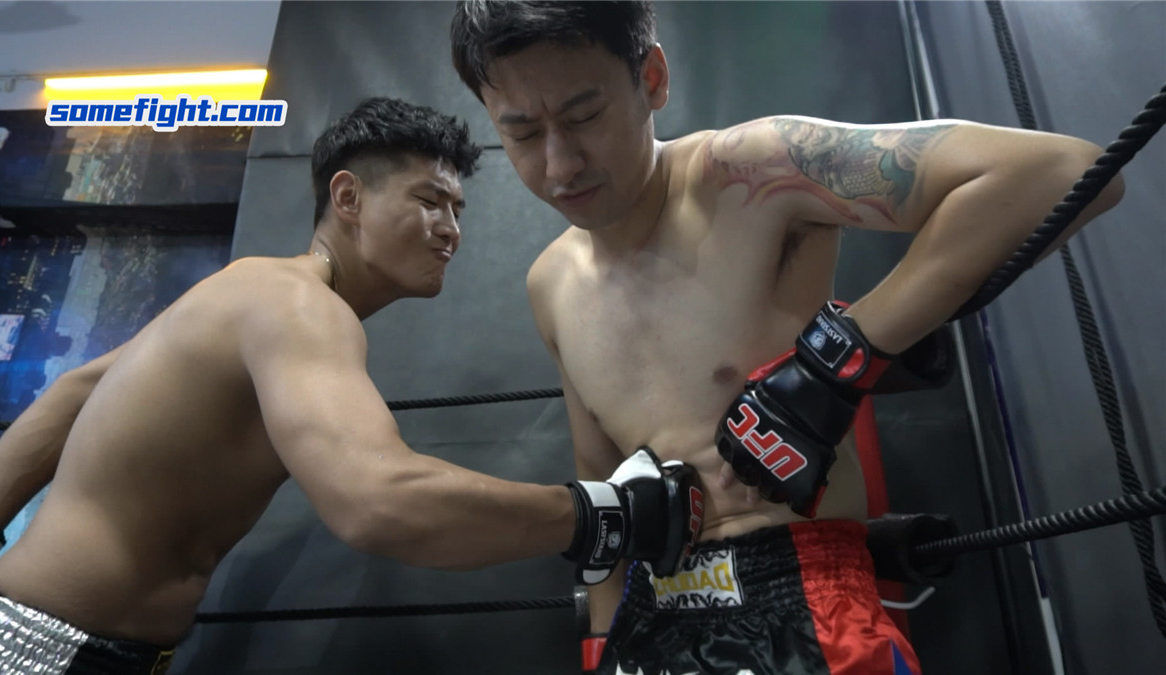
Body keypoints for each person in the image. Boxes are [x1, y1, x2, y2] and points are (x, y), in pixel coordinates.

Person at [450, 2, 1126, 673]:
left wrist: (841, 358)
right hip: (650, 627)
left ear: (651, 78)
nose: (560, 164)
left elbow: (1065, 172)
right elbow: (601, 486)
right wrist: (601, 647)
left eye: (584, 116)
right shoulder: (549, 284)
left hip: (807, 600)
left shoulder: (753, 171)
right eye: (521, 133)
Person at [0, 97, 704, 675]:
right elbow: (380, 501)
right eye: (429, 200)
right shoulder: (297, 305)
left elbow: (76, 391)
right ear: (347, 198)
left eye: (457, 209)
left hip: (66, 637)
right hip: (39, 646)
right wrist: (601, 514)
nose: (450, 228)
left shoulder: (255, 292)